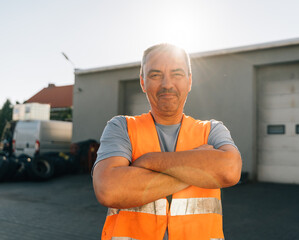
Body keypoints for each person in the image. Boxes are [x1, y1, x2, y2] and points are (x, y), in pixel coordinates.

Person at [92, 43, 242, 240]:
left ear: (189, 81)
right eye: (155, 75)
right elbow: (109, 190)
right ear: (143, 82)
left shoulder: (211, 130)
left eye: (177, 74)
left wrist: (149, 161)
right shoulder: (122, 127)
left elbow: (230, 170)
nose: (167, 84)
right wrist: (199, 168)